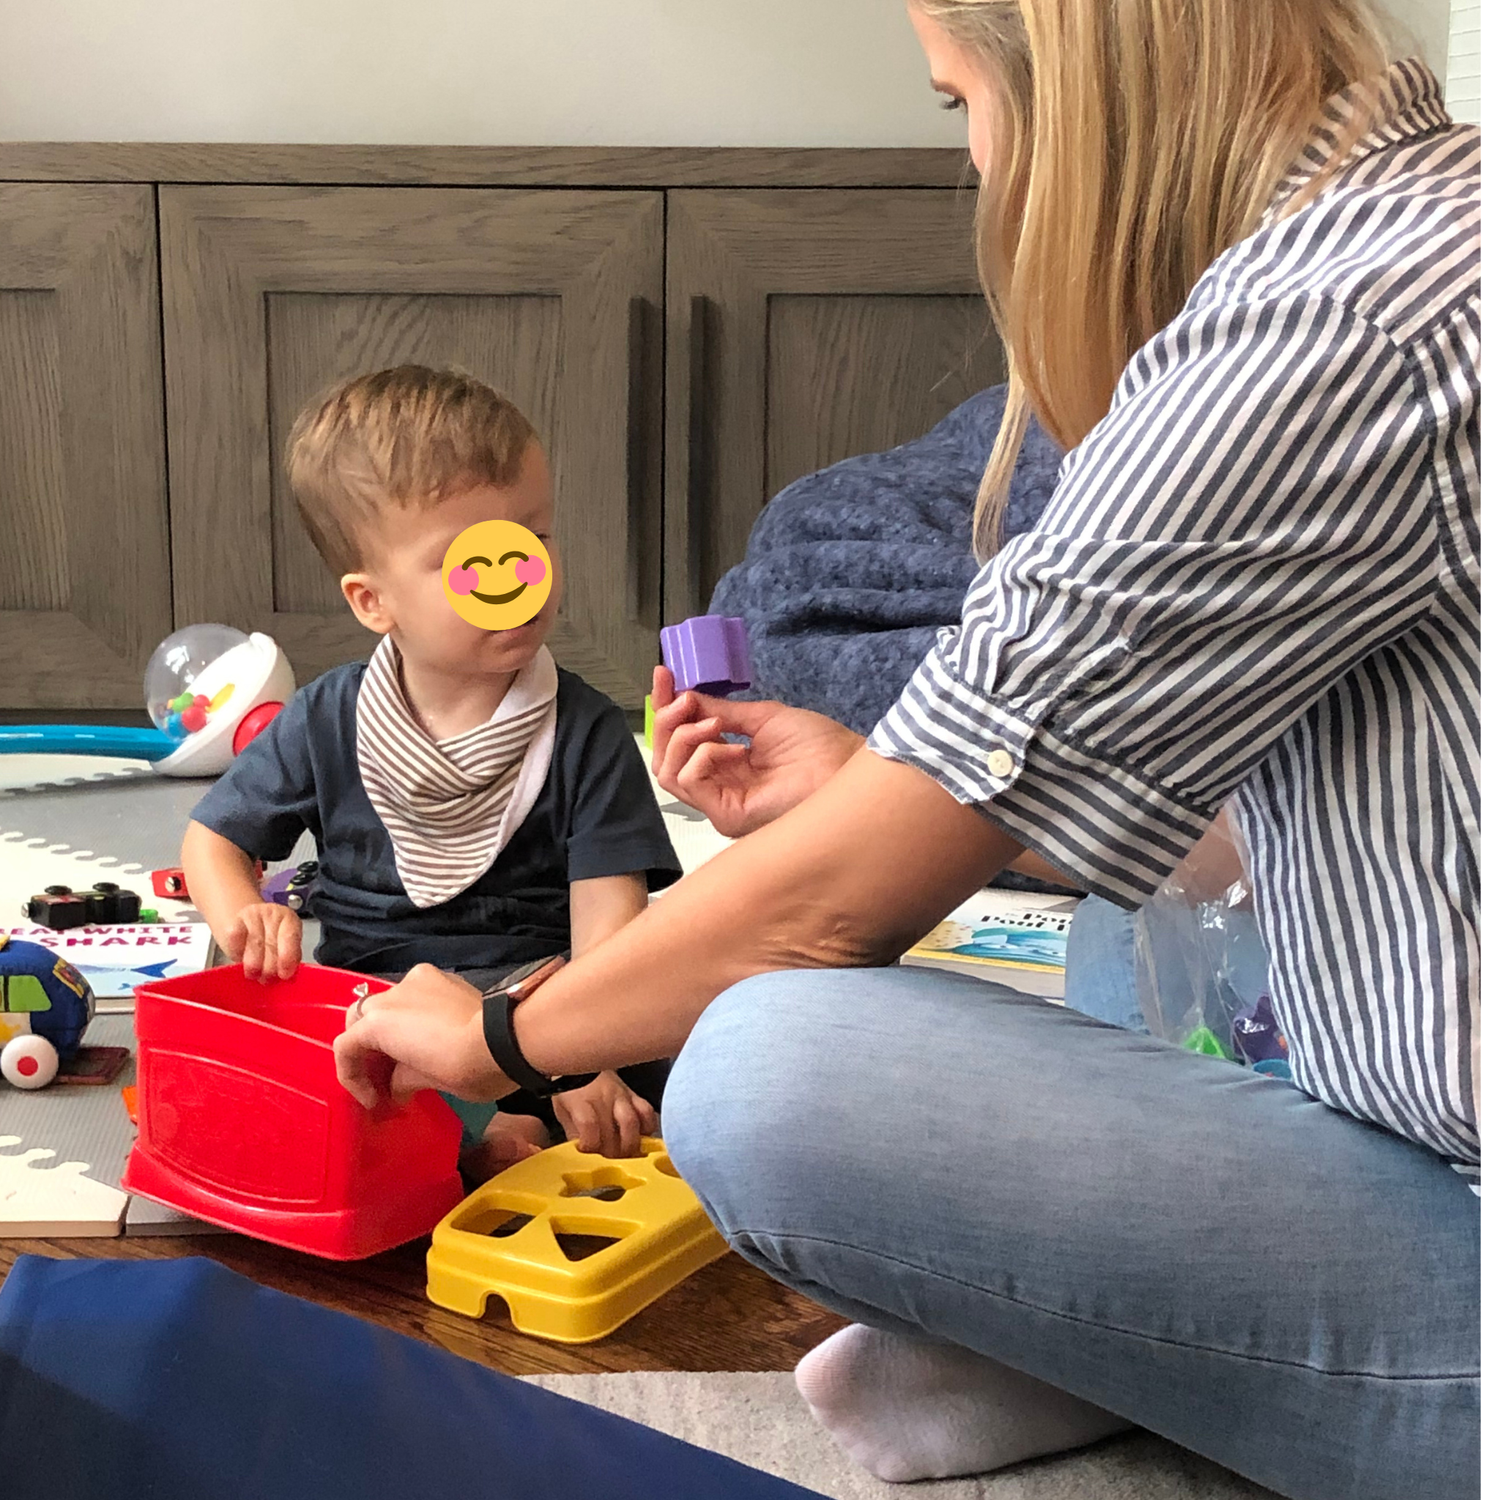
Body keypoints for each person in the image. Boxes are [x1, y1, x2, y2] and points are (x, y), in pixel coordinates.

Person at [333, 4, 1479, 1496]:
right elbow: (1350, 814)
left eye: (957, 101)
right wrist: (879, 790)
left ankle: (1141, 1359)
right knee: (1122, 935)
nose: (979, 159)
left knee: (766, 1068)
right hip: (1391, 1080)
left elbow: (822, 914)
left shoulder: (1325, 326)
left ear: (1073, 72)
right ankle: (1131, 1345)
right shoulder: (1434, 215)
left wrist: (502, 1035)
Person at [183, 365, 680, 1174]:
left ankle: (493, 1135)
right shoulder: (327, 718)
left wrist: (582, 1056)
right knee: (274, 1067)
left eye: (534, 541)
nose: (516, 579)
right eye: (468, 562)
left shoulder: (585, 729)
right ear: (372, 600)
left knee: (694, 1047)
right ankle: (474, 1138)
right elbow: (213, 839)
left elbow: (609, 936)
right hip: (376, 1007)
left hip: (536, 1011)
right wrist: (242, 913)